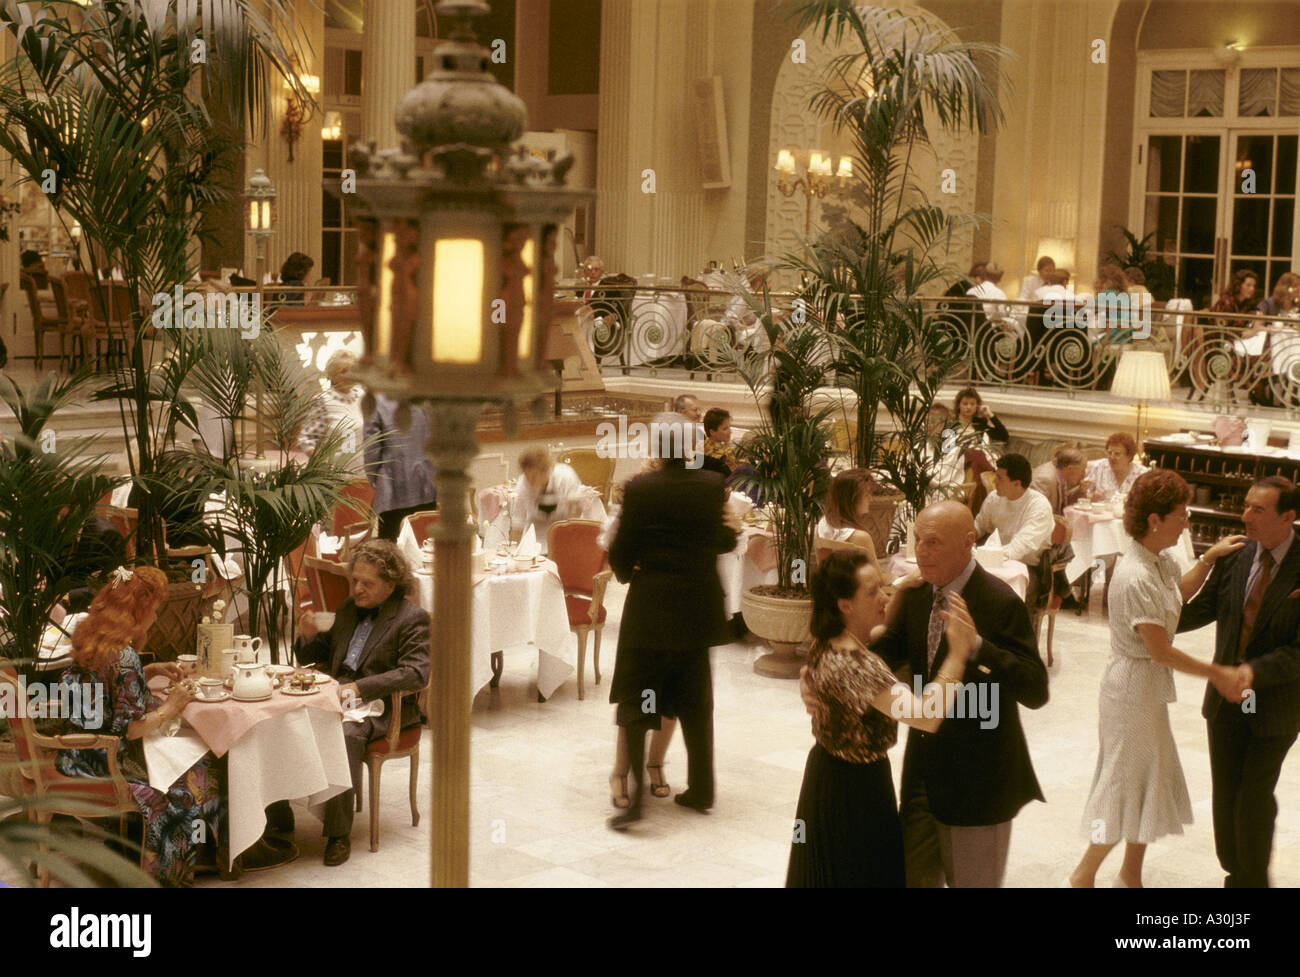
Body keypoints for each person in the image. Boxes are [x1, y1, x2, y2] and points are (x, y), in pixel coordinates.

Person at [1068, 470, 1246, 887]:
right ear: (1154, 519)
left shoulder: (1159, 561)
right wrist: (1216, 672)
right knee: (1121, 785)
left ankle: (1131, 874)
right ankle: (1083, 874)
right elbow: (1160, 650)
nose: (1187, 523)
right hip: (1130, 689)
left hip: (1146, 688)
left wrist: (1207, 558)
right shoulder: (1134, 575)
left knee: (1146, 780)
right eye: (1181, 516)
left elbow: (1178, 593)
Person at [867, 500, 1047, 886]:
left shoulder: (999, 601)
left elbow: (1035, 690)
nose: (921, 551)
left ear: (968, 542)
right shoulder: (917, 594)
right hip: (922, 780)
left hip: (978, 786)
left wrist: (978, 646)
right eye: (918, 539)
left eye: (933, 542)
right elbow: (879, 658)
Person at [787, 552, 972, 887]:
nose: (882, 597)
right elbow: (925, 716)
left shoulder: (825, 639)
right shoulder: (857, 666)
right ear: (845, 604)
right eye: (872, 592)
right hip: (856, 791)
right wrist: (958, 654)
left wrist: (900, 589)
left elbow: (878, 632)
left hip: (825, 778)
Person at [606, 416, 739, 829]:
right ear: (690, 447)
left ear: (658, 448)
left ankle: (634, 803)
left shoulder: (640, 489)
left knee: (638, 697)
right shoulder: (712, 486)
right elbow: (726, 540)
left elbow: (621, 549)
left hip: (650, 609)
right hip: (697, 610)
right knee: (696, 703)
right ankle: (702, 789)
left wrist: (632, 572)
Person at [55, 566, 225, 887]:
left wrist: (148, 670)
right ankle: (171, 868)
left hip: (76, 757)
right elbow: (130, 729)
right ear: (139, 609)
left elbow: (104, 690)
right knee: (201, 769)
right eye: (155, 610)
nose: (156, 619)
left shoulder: (92, 636)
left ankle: (140, 848)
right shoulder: (125, 655)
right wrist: (173, 705)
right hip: (110, 766)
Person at [1177, 475, 1300, 887]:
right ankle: (1235, 871)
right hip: (1227, 699)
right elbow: (1206, 608)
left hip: (1274, 703)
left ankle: (1251, 880)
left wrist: (1252, 673)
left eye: (1258, 510)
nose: (1245, 515)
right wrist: (1152, 621)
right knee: (1226, 792)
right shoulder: (1236, 553)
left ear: (1289, 517)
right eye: (1246, 506)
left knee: (1253, 795)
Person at [294, 540, 430, 866]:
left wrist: (360, 687)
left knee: (345, 735)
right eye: (355, 580)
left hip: (383, 707)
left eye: (367, 583)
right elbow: (318, 653)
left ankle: (338, 835)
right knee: (284, 718)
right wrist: (306, 634)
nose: (357, 588)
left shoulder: (412, 618)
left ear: (390, 585)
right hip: (338, 694)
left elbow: (415, 674)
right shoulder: (347, 610)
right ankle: (280, 819)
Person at [363, 393, 437, 540]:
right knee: (424, 544)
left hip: (392, 487)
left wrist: (374, 478)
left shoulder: (376, 404)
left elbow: (372, 450)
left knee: (391, 549)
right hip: (425, 485)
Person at [974, 453, 1055, 568]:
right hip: (994, 561)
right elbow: (980, 526)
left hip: (1026, 568)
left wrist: (984, 557)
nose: (994, 482)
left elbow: (1019, 548)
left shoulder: (1039, 506)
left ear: (1017, 483)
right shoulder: (994, 498)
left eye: (999, 478)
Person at [940, 387, 1008, 513]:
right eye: (965, 403)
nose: (968, 407)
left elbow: (1003, 436)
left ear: (977, 406)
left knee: (977, 457)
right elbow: (946, 449)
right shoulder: (950, 424)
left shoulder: (980, 423)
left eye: (972, 404)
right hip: (957, 462)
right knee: (975, 456)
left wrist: (990, 415)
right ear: (958, 405)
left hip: (978, 462)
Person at [297, 349, 366, 466]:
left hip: (364, 473)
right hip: (335, 474)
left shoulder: (363, 397)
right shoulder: (323, 401)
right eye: (343, 371)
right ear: (331, 374)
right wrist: (322, 463)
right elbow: (305, 439)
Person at [510, 447, 583, 547]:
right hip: (536, 533)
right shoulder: (522, 485)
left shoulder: (565, 477)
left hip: (566, 529)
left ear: (546, 470)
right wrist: (513, 550)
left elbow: (577, 514)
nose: (529, 481)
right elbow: (518, 522)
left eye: (534, 476)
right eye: (526, 476)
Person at [1087, 433, 1148, 499]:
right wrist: (1092, 497)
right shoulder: (1099, 467)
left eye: (1117, 454)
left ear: (1129, 456)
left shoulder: (1142, 474)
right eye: (1109, 453)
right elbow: (1084, 494)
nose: (1112, 457)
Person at [1032, 446, 1088, 515]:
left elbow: (1063, 503)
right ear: (1070, 469)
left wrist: (1080, 491)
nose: (1084, 475)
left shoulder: (1060, 473)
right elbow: (1035, 513)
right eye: (1082, 470)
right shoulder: (1045, 479)